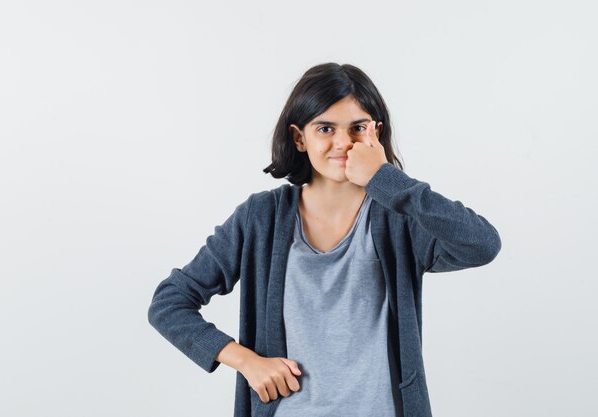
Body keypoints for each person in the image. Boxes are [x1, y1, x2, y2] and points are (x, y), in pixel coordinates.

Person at [147, 63, 502, 417]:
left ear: (376, 133)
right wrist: (245, 361)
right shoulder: (261, 217)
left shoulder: (399, 218)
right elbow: (169, 303)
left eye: (358, 128)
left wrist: (386, 179)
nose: (343, 142)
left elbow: (482, 244)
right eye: (325, 128)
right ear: (300, 137)